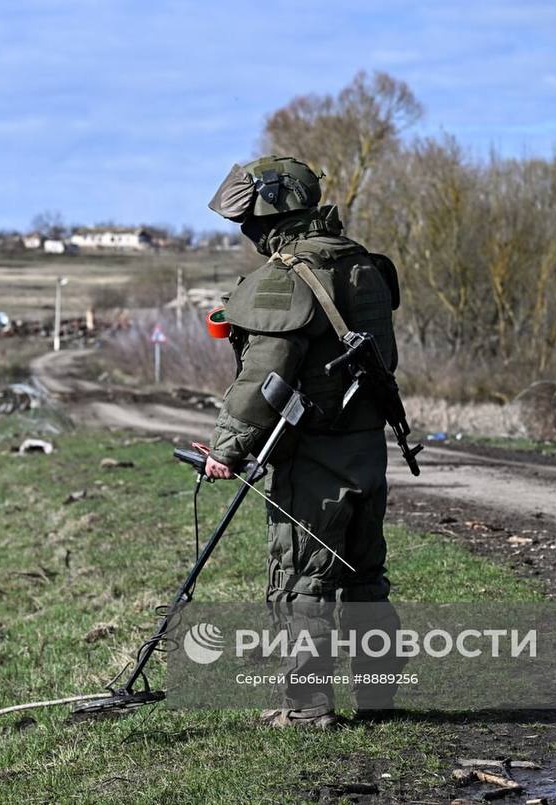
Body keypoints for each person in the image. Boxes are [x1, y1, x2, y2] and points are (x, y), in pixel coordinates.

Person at [204, 155, 403, 727]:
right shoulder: (363, 264)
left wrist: (226, 447)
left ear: (268, 218)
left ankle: (305, 708)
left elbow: (263, 379)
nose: (246, 235)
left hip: (314, 454)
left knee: (303, 582)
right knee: (365, 578)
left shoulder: (286, 276)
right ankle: (378, 700)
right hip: (367, 448)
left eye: (248, 225)